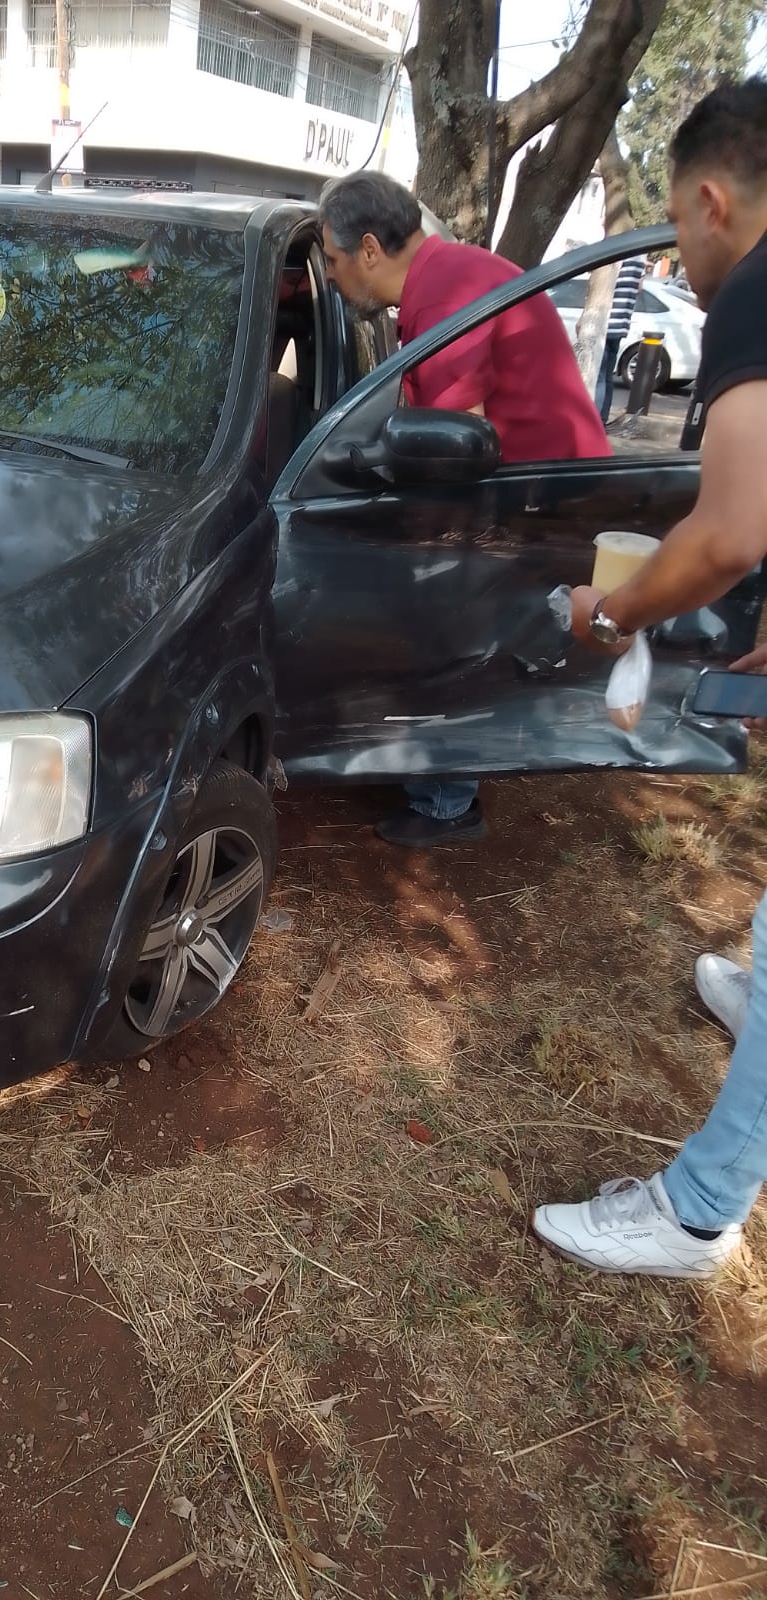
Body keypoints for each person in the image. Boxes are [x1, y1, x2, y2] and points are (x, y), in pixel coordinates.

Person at [534, 77, 767, 1280]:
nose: (682, 256)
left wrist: (612, 609)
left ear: (712, 200)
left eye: (677, 226)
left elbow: (728, 530)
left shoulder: (758, 288)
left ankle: (694, 1211)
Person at [317, 172, 610, 849]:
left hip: (539, 493)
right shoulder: (446, 275)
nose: (331, 280)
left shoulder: (447, 293)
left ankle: (447, 801)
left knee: (447, 617)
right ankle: (445, 779)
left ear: (367, 248)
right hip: (529, 481)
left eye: (331, 262)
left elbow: (450, 450)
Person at [595, 251, 648, 423]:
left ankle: (594, 420)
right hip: (622, 322)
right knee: (608, 375)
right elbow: (639, 287)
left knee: (599, 375)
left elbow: (602, 284)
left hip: (605, 321)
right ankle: (602, 418)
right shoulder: (640, 257)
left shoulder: (618, 253)